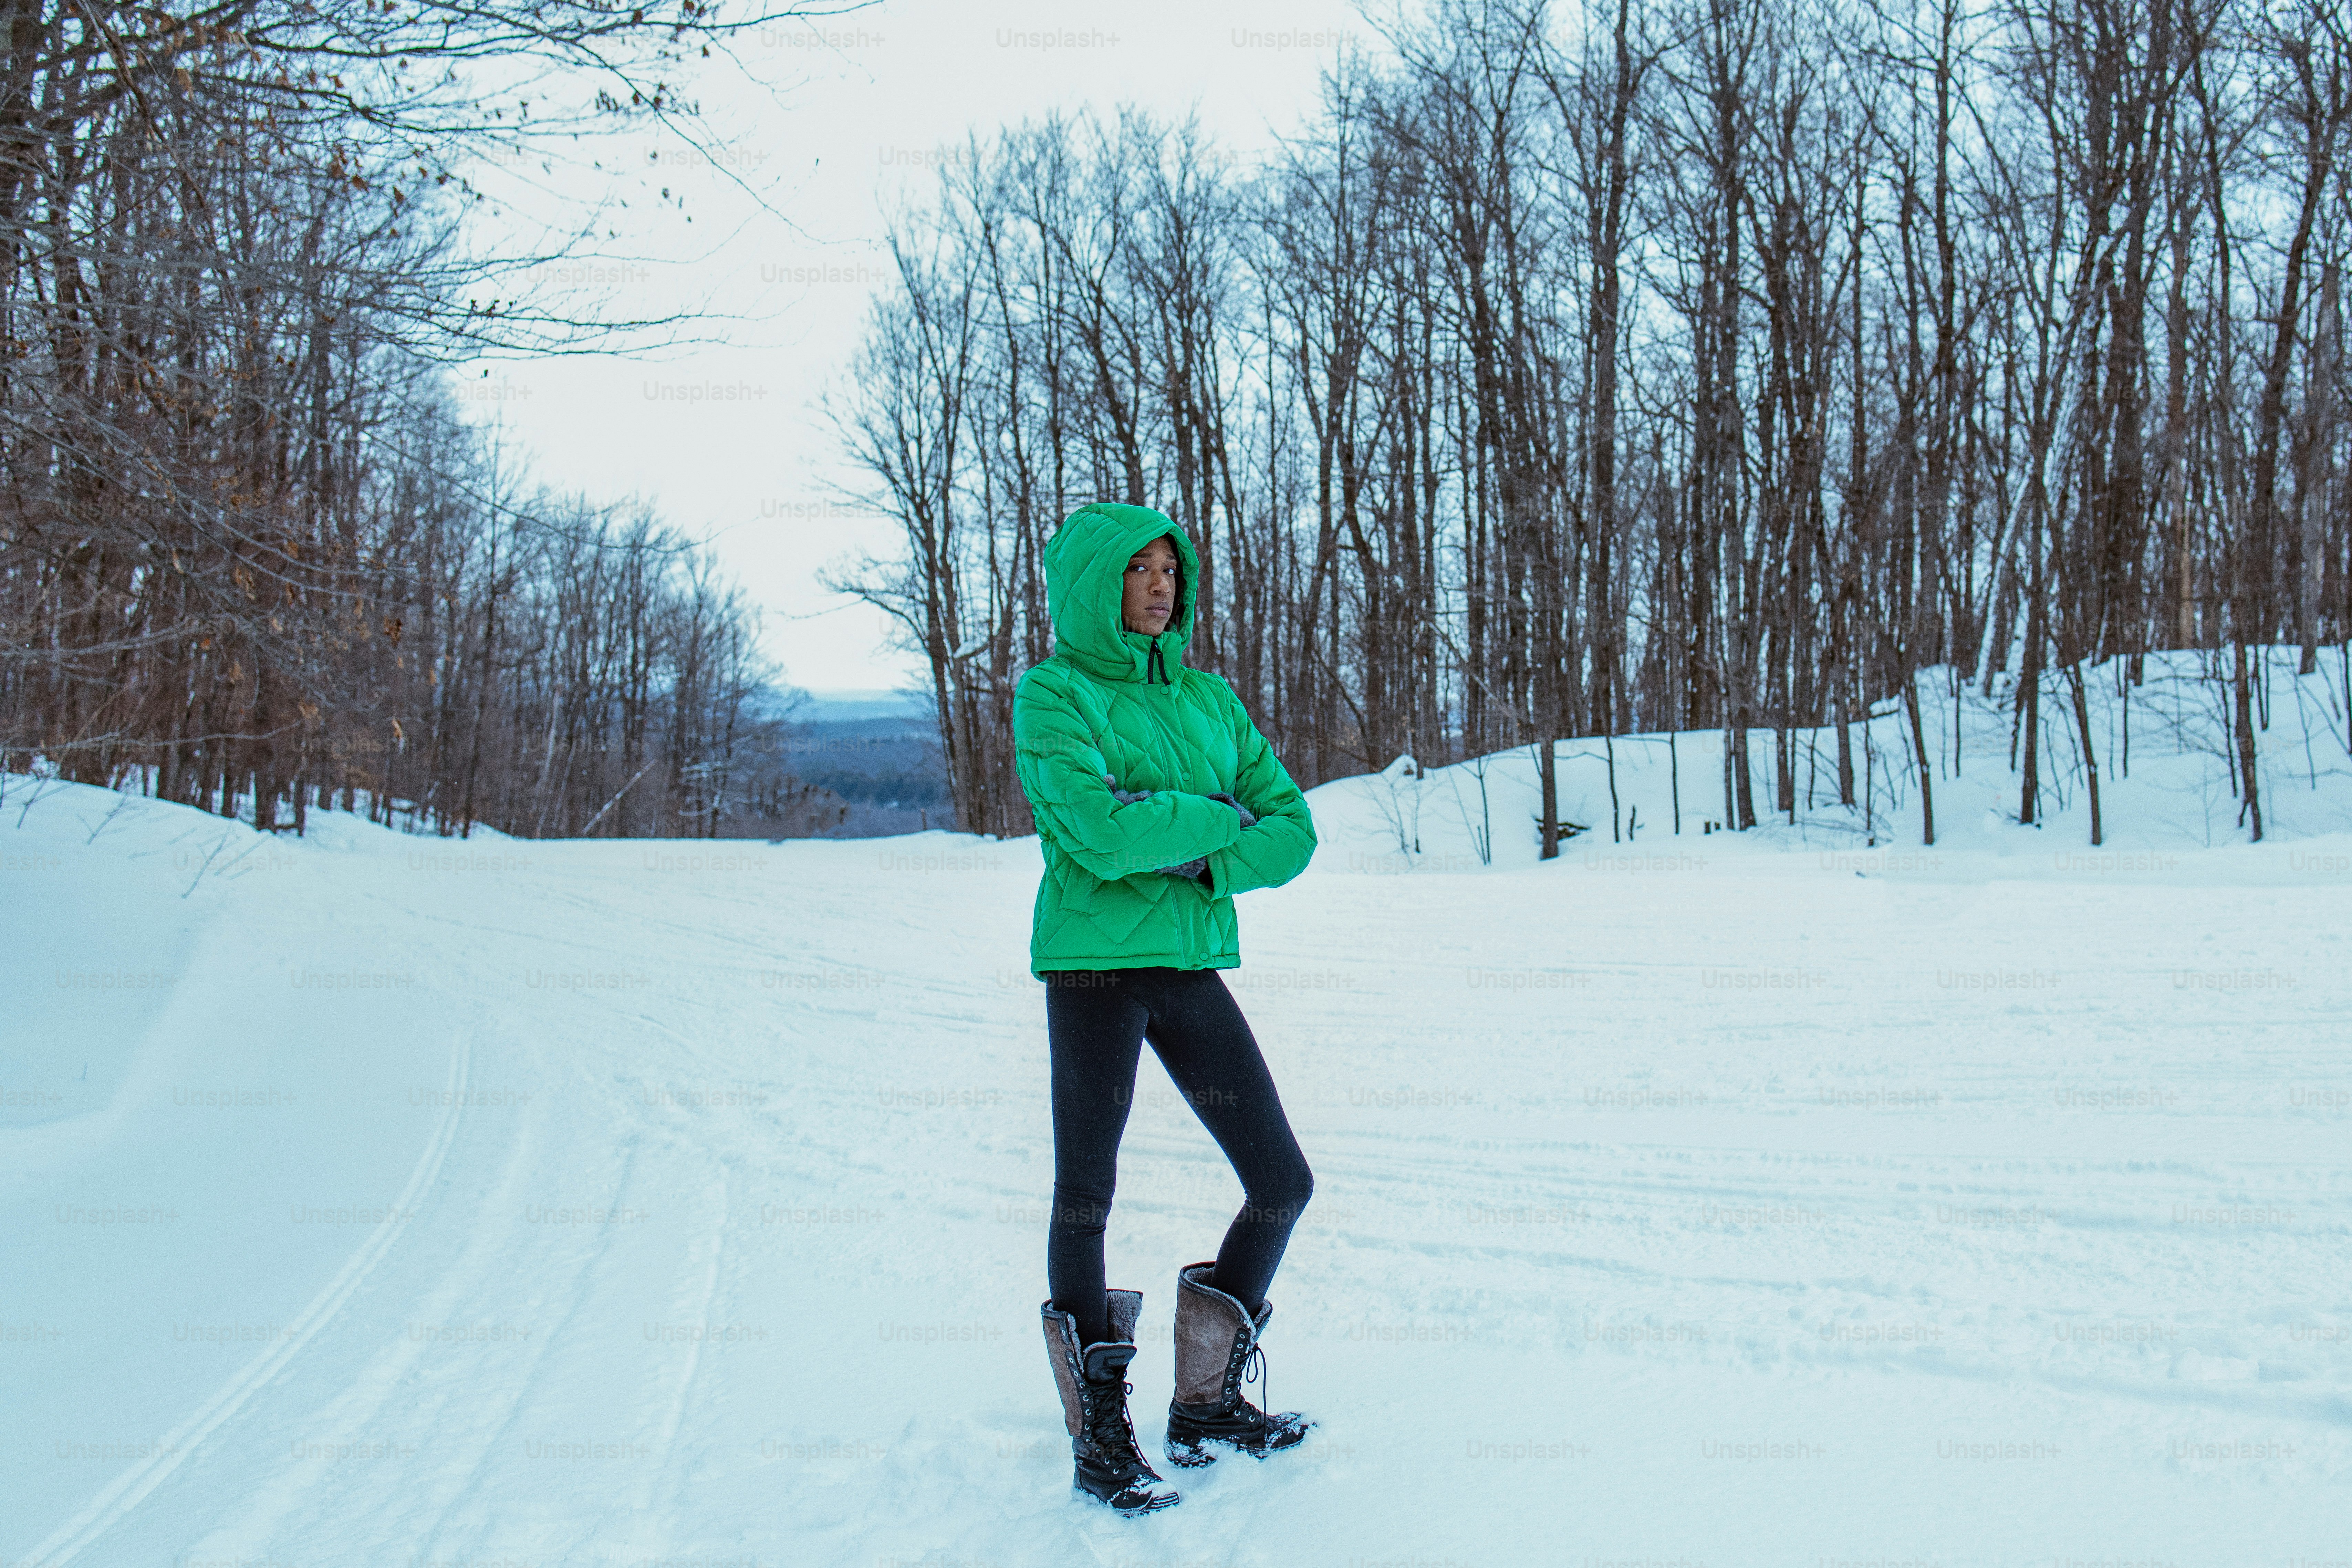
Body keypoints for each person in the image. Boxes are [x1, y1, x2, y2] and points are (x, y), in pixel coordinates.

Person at [1013, 501, 1320, 1515]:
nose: (1158, 584)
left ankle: (1205, 1401)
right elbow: (1097, 835)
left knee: (1280, 1177)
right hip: (1094, 977)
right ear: (1094, 584)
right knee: (1087, 1193)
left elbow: (1291, 833)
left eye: (1168, 568)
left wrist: (1179, 837)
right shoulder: (1052, 695)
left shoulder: (1209, 699)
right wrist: (1208, 830)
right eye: (1135, 569)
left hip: (1187, 968)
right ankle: (1102, 1432)